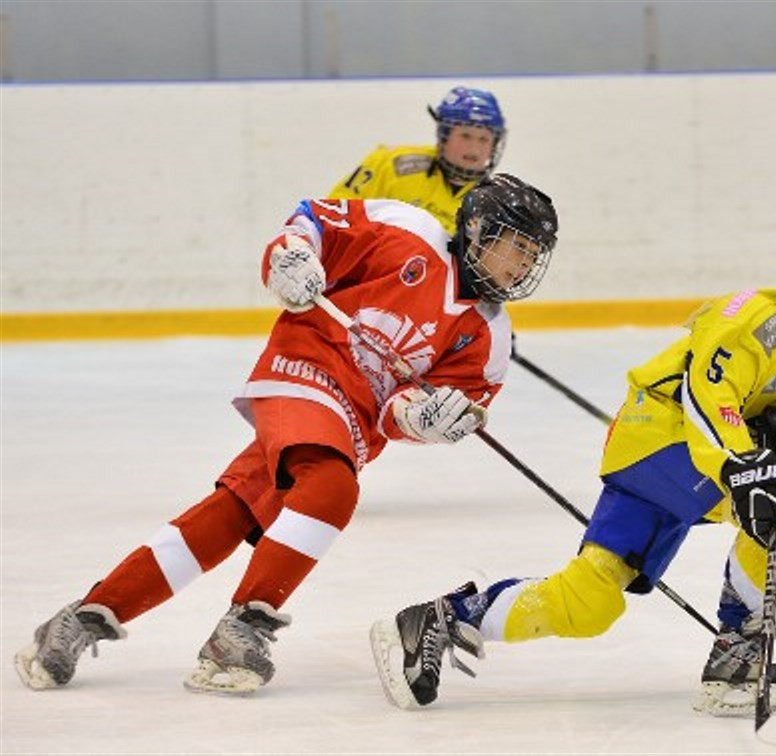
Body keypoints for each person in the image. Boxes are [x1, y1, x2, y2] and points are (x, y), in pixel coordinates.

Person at [14, 173, 559, 695]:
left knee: (230, 516)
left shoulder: (490, 343)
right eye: (518, 247)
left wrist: (421, 419)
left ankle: (83, 618)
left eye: (534, 256)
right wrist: (290, 254)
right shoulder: (407, 229)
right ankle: (245, 626)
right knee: (332, 489)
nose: (525, 265)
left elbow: (400, 412)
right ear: (478, 231)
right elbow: (313, 221)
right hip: (304, 365)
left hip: (352, 424)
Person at [369, 228, 776, 716]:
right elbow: (708, 412)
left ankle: (443, 618)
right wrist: (751, 475)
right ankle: (739, 654)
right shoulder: (744, 323)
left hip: (706, 462)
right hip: (657, 437)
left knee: (589, 603)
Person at [329, 86, 507, 234]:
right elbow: (335, 211)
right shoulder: (390, 164)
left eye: (484, 139)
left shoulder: (493, 203)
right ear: (444, 136)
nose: (474, 148)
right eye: (465, 135)